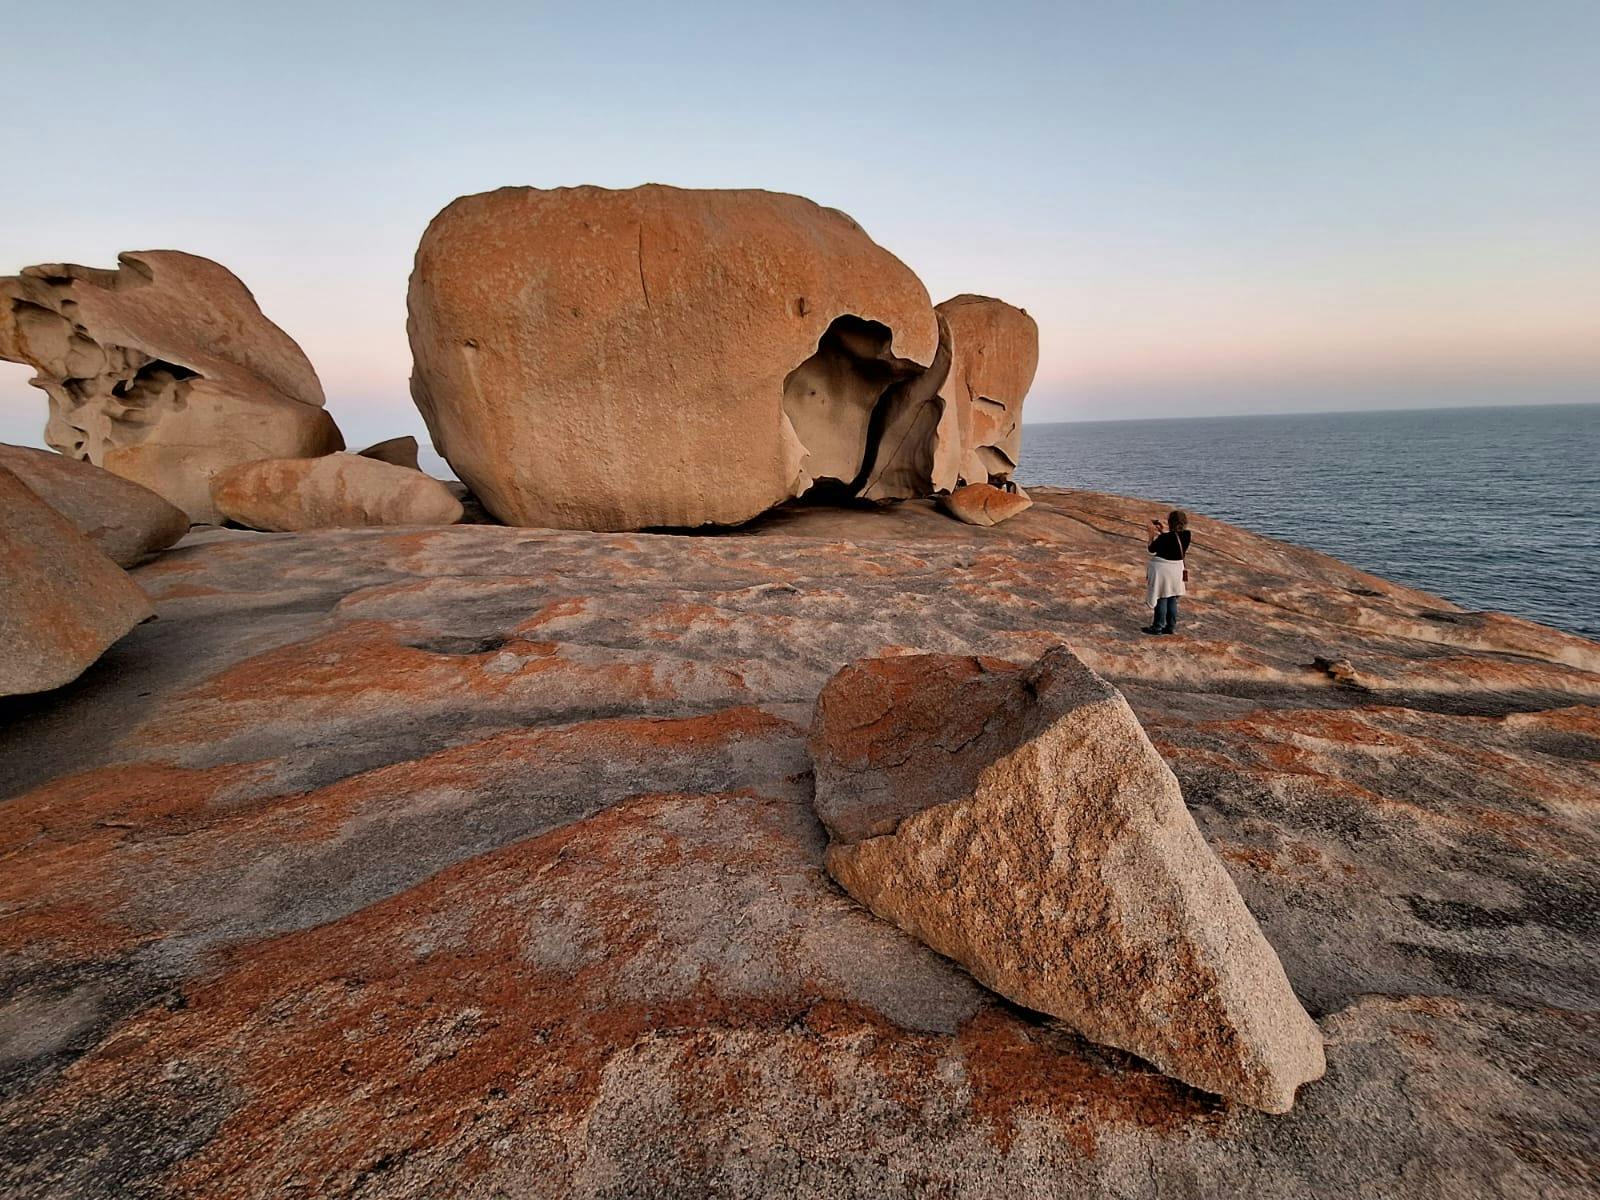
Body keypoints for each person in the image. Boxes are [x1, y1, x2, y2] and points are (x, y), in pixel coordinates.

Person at [1143, 509, 1190, 635]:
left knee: (1161, 597)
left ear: (1170, 522)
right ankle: (1170, 627)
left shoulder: (1165, 537)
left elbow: (1151, 549)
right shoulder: (1187, 535)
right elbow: (1173, 540)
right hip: (1177, 569)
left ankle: (1157, 627)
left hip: (1163, 570)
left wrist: (1151, 534)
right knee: (1172, 597)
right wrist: (1163, 532)